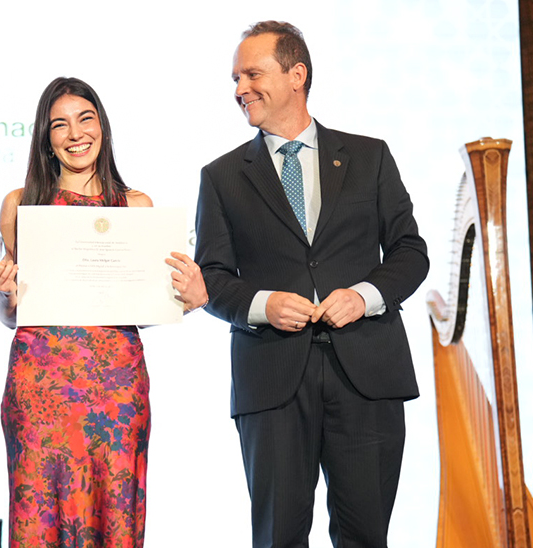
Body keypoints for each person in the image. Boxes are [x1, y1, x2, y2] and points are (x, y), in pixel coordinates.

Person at [194, 21, 429, 548]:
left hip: (367, 375)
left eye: (252, 73)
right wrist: (263, 304)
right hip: (272, 379)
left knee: (366, 535)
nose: (238, 89)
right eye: (235, 78)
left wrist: (364, 296)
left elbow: (411, 253)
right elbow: (210, 278)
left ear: (296, 74)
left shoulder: (370, 157)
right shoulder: (222, 176)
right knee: (278, 538)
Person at [0, 77, 208, 548]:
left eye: (85, 119)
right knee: (38, 517)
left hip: (116, 392)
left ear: (102, 126)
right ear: (46, 138)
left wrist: (191, 296)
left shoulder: (136, 205)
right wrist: (6, 294)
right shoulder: (20, 204)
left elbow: (146, 305)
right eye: (59, 124)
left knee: (114, 514)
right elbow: (12, 311)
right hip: (40, 390)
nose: (75, 133)